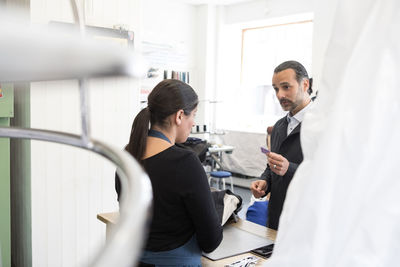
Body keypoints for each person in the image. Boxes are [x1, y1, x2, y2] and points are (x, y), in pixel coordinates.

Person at [115, 79, 223, 266]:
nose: (194, 123)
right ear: (180, 116)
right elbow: (211, 241)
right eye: (193, 115)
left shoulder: (128, 155)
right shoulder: (185, 162)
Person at [250, 60, 313, 230]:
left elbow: (330, 174)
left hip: (307, 220)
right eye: (276, 89)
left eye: (286, 87)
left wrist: (289, 168)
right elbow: (272, 166)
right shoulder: (279, 126)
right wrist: (264, 182)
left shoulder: (323, 125)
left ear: (305, 84)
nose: (279, 95)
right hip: (277, 218)